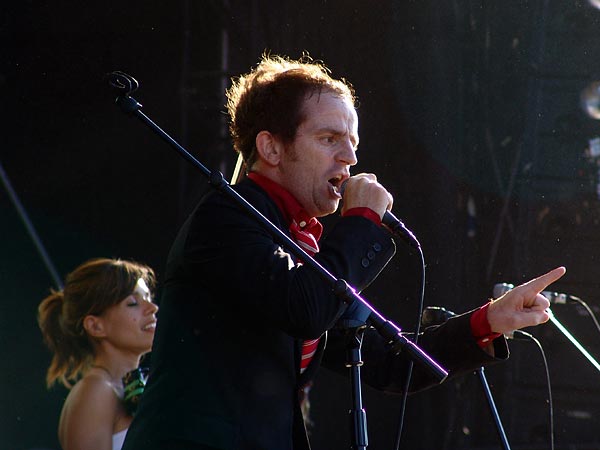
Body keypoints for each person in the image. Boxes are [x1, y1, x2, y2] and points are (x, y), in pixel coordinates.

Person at [122, 54, 565, 450]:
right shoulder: (228, 217)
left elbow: (386, 362)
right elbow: (305, 308)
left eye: (352, 142)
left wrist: (489, 321)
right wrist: (361, 222)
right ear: (271, 147)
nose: (350, 157)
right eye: (329, 139)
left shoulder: (300, 244)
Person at [38, 257, 159, 450]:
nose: (153, 308)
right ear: (95, 326)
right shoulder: (96, 390)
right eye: (133, 303)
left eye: (148, 298)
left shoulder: (122, 386)